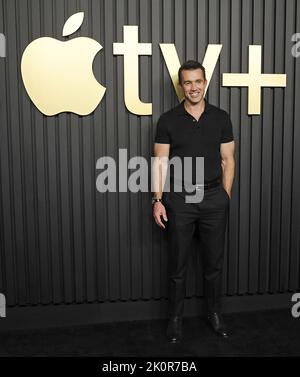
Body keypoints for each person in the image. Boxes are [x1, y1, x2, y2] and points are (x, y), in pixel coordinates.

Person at [152, 60, 235, 343]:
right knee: (178, 265)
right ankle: (175, 319)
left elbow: (228, 160)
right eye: (187, 82)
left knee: (214, 264)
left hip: (214, 198)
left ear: (205, 82)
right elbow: (160, 162)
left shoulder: (221, 118)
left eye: (197, 81)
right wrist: (158, 200)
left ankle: (214, 314)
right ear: (181, 86)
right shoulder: (167, 120)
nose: (193, 87)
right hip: (180, 199)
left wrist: (225, 195)